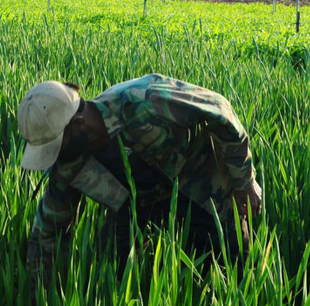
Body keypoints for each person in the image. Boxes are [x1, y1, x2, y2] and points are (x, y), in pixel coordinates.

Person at [18, 75, 262, 286]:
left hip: (197, 182)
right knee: (110, 275)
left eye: (56, 148)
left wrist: (244, 182)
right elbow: (48, 231)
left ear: (79, 125)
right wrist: (38, 295)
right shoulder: (69, 161)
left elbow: (220, 111)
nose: (55, 158)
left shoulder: (144, 100)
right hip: (137, 203)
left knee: (234, 268)